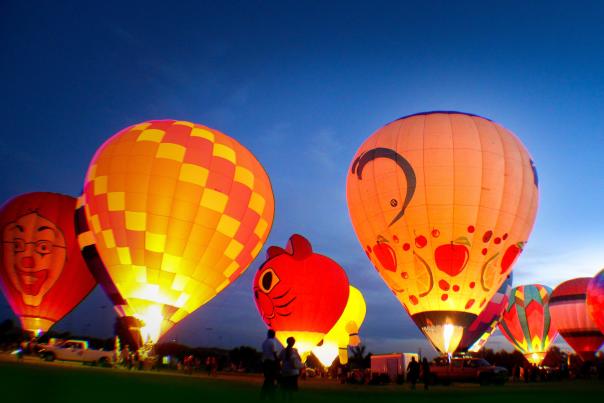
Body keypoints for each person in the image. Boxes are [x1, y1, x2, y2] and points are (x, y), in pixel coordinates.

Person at [278, 337, 303, 401]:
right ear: (293, 343)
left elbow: (279, 359)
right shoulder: (295, 351)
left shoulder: (283, 351)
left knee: (284, 387)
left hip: (285, 371)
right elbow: (300, 359)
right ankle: (290, 399)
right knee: (291, 388)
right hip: (293, 372)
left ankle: (283, 399)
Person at [260, 329, 280, 400]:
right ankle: (270, 395)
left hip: (265, 362)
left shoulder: (264, 342)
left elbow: (264, 353)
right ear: (274, 335)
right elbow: (274, 353)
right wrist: (278, 362)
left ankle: (264, 395)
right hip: (271, 363)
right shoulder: (272, 342)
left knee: (268, 380)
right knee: (271, 380)